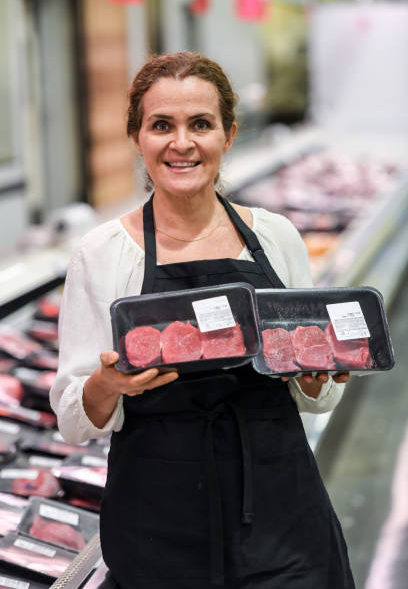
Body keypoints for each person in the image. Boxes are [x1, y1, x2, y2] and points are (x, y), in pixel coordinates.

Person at [50, 51, 355, 588]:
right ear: (137, 137)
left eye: (201, 124)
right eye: (161, 125)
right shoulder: (101, 254)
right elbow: (74, 420)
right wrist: (106, 383)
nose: (182, 143)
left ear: (228, 135)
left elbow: (318, 393)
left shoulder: (276, 236)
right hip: (158, 525)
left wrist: (315, 377)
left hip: (283, 518)